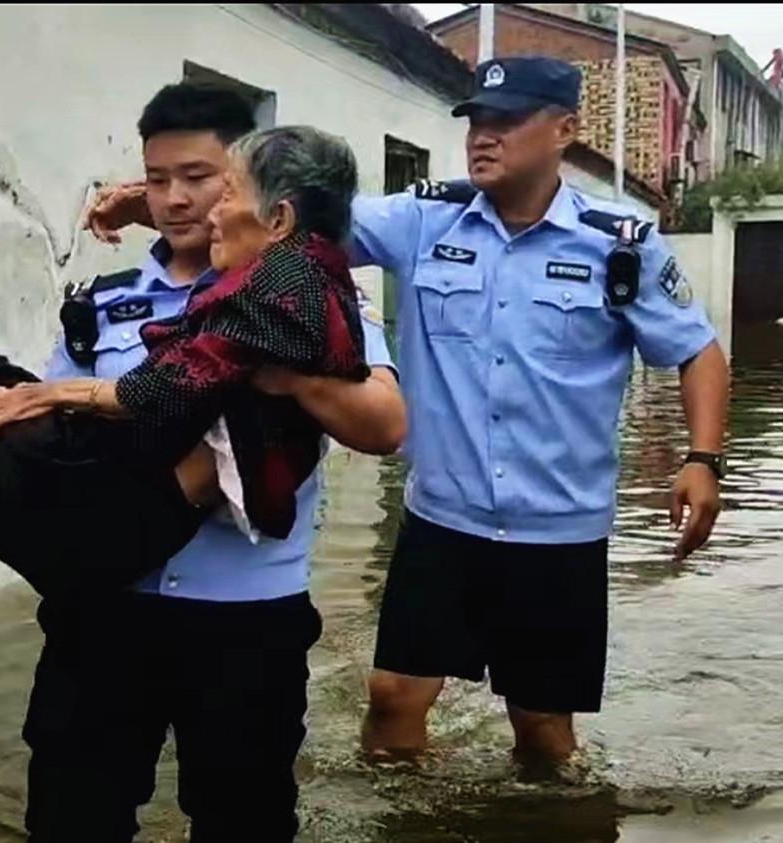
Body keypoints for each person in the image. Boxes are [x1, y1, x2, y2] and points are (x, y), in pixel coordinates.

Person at [0, 84, 406, 841]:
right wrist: (19, 411)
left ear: (253, 194)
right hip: (107, 609)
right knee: (73, 819)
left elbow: (384, 423)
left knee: (245, 822)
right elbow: (65, 425)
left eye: (203, 179)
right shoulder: (108, 300)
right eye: (156, 179)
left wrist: (287, 376)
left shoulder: (301, 293)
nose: (178, 199)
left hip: (243, 619)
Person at [85, 58, 730, 771]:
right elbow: (284, 215)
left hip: (559, 531)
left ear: (564, 130)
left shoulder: (619, 245)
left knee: (543, 729)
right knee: (392, 700)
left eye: (507, 121)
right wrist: (152, 207)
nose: (483, 136)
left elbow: (698, 351)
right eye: (476, 121)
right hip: (442, 522)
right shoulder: (423, 220)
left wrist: (702, 460)